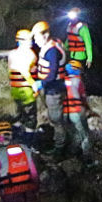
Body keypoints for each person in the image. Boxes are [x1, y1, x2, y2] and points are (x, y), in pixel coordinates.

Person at [33, 22, 68, 152]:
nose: (35, 41)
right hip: (52, 87)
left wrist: (41, 83)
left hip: (54, 89)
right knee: (55, 118)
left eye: (37, 37)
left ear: (46, 35)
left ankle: (60, 147)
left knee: (56, 120)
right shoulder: (52, 44)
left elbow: (52, 74)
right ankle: (60, 141)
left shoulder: (52, 50)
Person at [61, 60, 96, 165]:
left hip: (65, 112)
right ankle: (88, 160)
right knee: (85, 136)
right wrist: (88, 109)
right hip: (76, 111)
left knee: (75, 134)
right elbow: (83, 98)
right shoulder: (78, 81)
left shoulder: (63, 80)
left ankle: (70, 155)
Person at [7, 28, 40, 137]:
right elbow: (25, 72)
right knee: (30, 114)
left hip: (14, 89)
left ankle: (16, 133)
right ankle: (29, 138)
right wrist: (34, 85)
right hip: (26, 89)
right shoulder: (30, 54)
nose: (31, 42)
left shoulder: (12, 54)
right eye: (29, 40)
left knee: (19, 111)